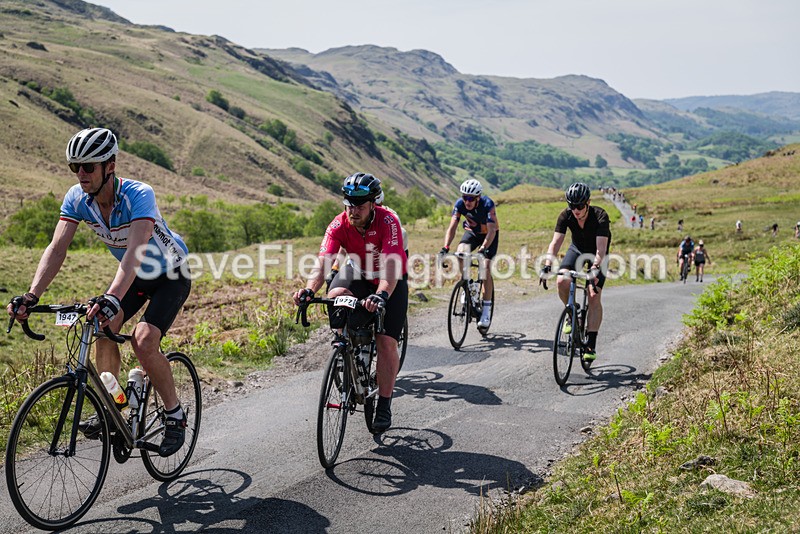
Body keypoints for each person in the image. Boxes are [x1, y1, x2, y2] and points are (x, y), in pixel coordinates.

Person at [7, 127, 191, 457]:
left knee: (144, 341)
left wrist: (111, 297)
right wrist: (32, 295)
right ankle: (115, 404)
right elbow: (57, 248)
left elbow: (134, 252)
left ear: (110, 166)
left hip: (171, 274)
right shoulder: (77, 199)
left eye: (88, 167)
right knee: (102, 328)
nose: (81, 174)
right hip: (135, 277)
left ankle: (174, 415)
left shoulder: (139, 195)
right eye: (74, 167)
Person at [293, 172, 408, 433]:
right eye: (349, 204)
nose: (353, 211)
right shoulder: (338, 224)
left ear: (372, 204)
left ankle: (384, 404)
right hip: (358, 272)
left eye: (359, 206)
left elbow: (391, 267)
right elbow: (324, 262)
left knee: (386, 341)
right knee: (334, 296)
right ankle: (345, 348)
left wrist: (381, 295)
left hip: (389, 279)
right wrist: (309, 290)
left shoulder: (388, 221)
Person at [539, 182, 611, 362]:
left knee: (593, 295)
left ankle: (591, 343)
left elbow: (601, 249)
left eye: (579, 206)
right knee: (562, 281)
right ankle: (572, 314)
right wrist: (547, 264)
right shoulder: (566, 215)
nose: (576, 210)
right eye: (572, 206)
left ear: (588, 203)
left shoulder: (600, 216)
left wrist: (595, 268)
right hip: (577, 249)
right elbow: (555, 243)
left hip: (597, 254)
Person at [440, 179, 499, 328]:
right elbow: (452, 227)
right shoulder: (460, 204)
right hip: (472, 233)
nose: (467, 201)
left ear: (478, 198)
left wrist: (483, 248)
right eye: (465, 197)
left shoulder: (488, 204)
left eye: (471, 198)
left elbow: (492, 230)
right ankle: (468, 285)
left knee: (485, 268)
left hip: (489, 236)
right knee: (460, 253)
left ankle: (486, 311)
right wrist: (445, 247)